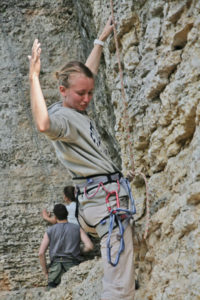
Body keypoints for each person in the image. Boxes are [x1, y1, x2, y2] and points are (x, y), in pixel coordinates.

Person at [29, 17, 135, 300]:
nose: (87, 98)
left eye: (90, 92)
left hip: (98, 199)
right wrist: (33, 78)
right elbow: (43, 124)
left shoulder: (73, 110)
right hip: (104, 202)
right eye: (80, 94)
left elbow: (88, 74)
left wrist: (100, 41)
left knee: (119, 266)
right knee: (118, 280)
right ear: (62, 91)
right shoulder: (63, 119)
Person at [39, 203, 93, 289]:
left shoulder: (50, 230)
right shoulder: (77, 228)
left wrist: (46, 273)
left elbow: (41, 253)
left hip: (55, 269)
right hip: (73, 267)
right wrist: (79, 251)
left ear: (55, 217)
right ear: (67, 214)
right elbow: (89, 246)